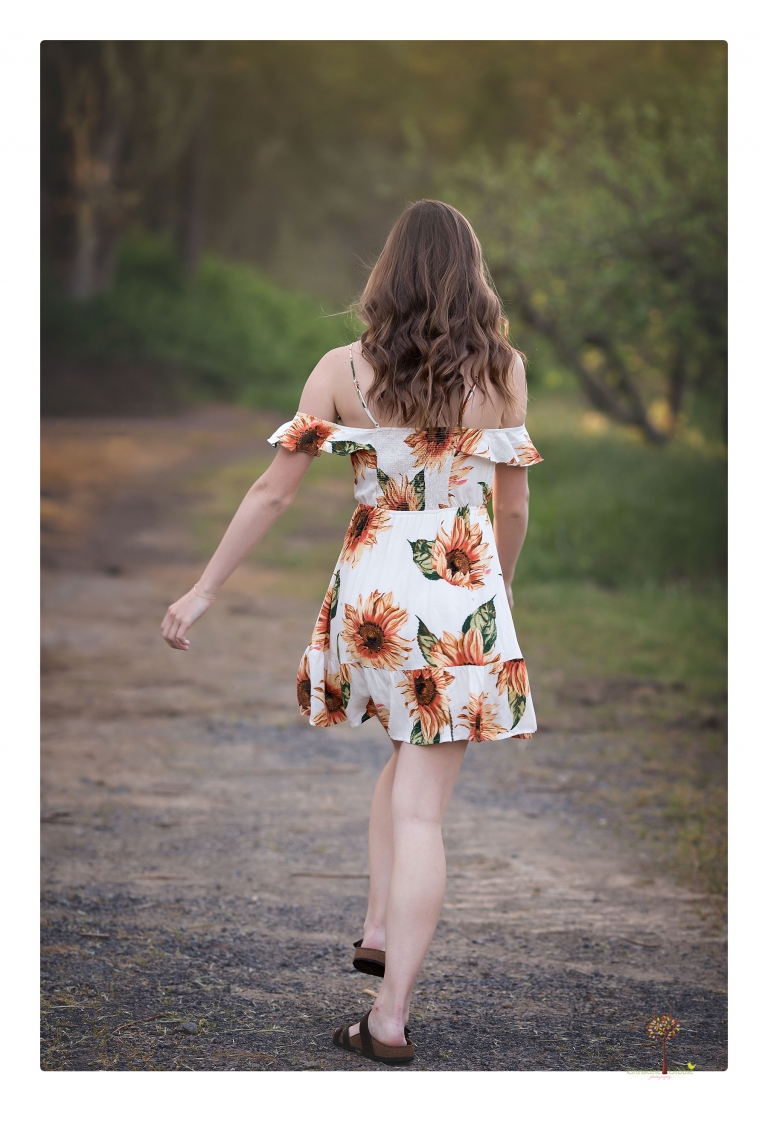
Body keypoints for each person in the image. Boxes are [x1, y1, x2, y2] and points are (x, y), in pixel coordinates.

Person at [161, 199, 542, 1067]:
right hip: (459, 586)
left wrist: (204, 590)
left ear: (389, 274)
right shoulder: (506, 372)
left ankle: (376, 926)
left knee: (402, 765)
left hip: (373, 592)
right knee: (423, 811)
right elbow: (513, 503)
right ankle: (391, 1018)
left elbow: (274, 492)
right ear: (471, 275)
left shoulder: (343, 367)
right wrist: (493, 596)